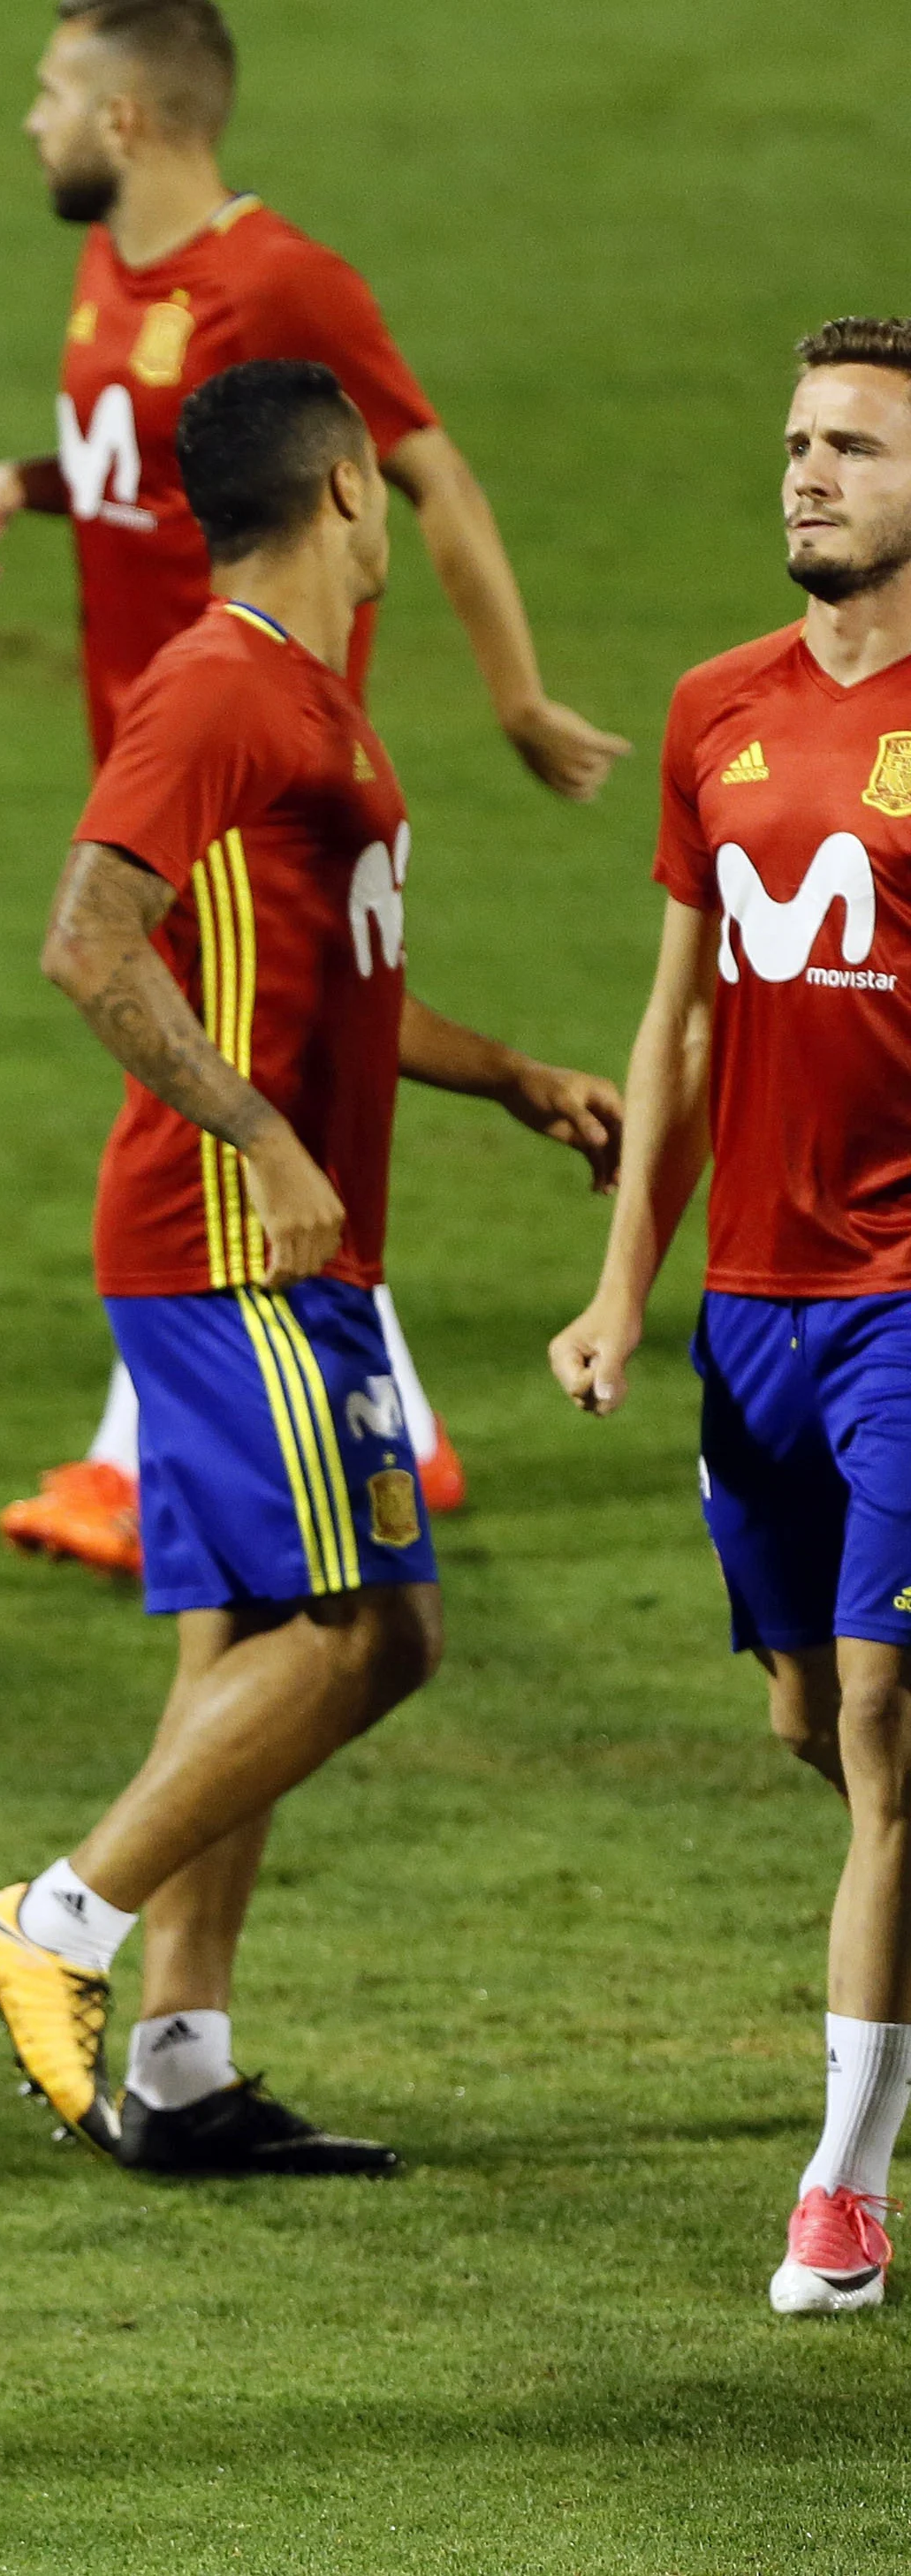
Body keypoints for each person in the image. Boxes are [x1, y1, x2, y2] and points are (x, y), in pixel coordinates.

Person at [0, 363, 618, 2179]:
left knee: (249, 1637)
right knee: (377, 1628)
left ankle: (177, 2066)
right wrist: (258, 1139)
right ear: (344, 490)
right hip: (234, 1248)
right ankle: (56, 1928)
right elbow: (90, 946)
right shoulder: (222, 686)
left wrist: (512, 1083)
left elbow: (334, 987)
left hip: (266, 1235)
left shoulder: (311, 701)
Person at [0, 0, 626, 1573]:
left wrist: (510, 689)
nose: (27, 120)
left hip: (256, 761)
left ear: (123, 117)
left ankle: (158, 1452)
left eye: (48, 92)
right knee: (240, 1068)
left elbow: (421, 470)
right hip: (162, 751)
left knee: (220, 1066)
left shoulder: (277, 280)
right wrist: (24, 487)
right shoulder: (107, 272)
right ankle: (331, 1422)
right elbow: (151, 478)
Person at [548, 320, 911, 2313]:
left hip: (907, 1306)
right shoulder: (717, 713)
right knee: (812, 1724)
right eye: (797, 441)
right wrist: (622, 1288)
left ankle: (843, 2196)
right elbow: (678, 1019)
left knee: (881, 1718)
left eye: (852, 447)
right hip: (749, 1312)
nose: (807, 472)